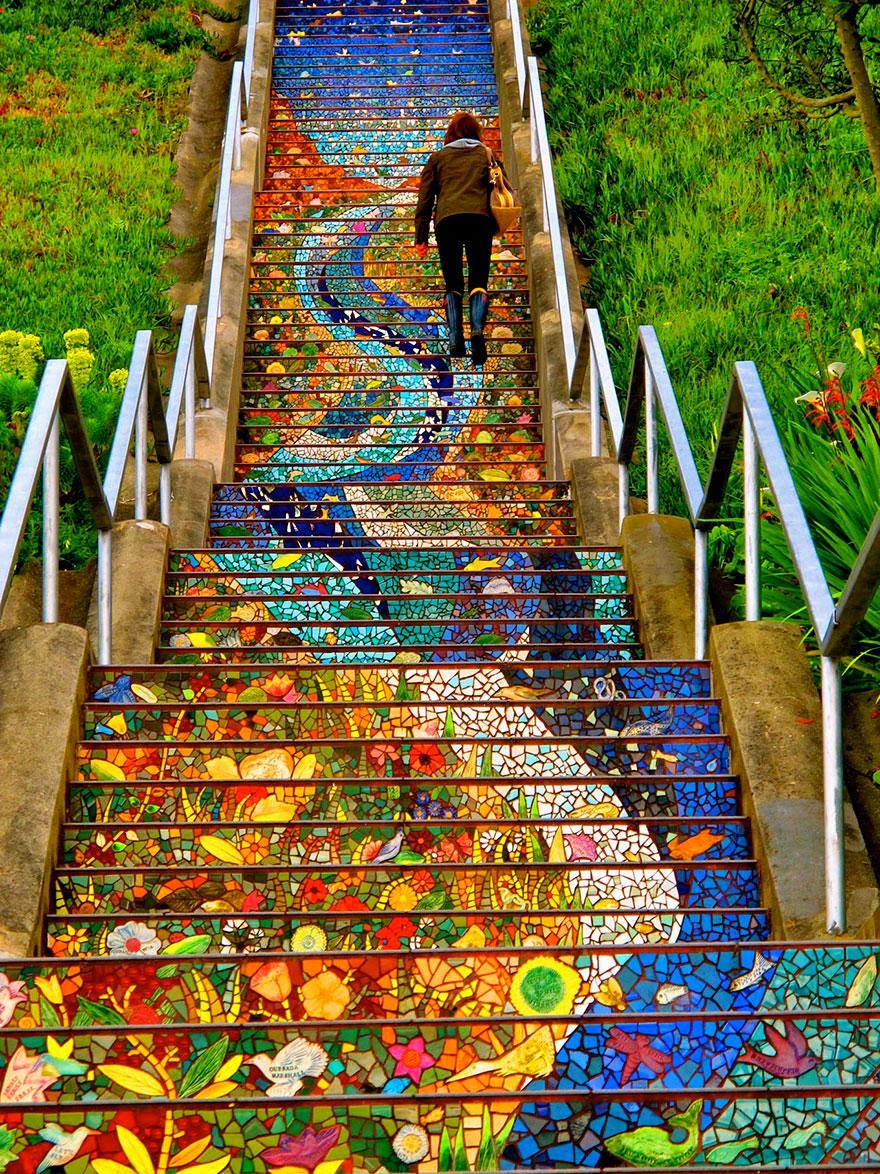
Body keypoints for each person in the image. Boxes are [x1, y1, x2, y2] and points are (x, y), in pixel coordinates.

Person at [414, 111, 509, 368]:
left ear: (451, 133)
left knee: (453, 282)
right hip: (480, 220)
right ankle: (477, 332)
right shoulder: (487, 154)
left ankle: (456, 338)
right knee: (478, 280)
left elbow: (425, 199)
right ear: (475, 132)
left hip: (447, 222)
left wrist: (421, 237)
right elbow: (504, 188)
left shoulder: (437, 158)